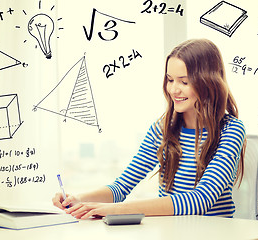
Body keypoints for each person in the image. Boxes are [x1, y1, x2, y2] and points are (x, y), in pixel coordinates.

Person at [52, 38, 246, 219]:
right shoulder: (161, 130)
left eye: (184, 82)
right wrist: (80, 199)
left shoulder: (231, 131)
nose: (173, 90)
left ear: (208, 83)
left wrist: (117, 210)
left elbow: (200, 200)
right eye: (170, 80)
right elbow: (121, 187)